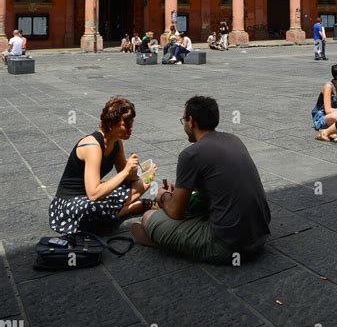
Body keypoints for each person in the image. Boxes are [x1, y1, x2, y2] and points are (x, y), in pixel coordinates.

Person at [131, 95, 271, 263]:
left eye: (184, 120)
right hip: (259, 236)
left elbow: (175, 211)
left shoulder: (191, 154)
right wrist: (184, 189)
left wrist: (163, 195)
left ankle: (165, 241)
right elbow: (217, 182)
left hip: (228, 245)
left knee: (148, 216)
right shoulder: (234, 139)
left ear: (191, 121)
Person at [49, 96, 158, 235]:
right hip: (70, 203)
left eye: (131, 124)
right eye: (126, 124)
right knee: (94, 209)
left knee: (145, 183)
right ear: (111, 124)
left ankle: (116, 211)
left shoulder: (116, 142)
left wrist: (142, 172)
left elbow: (128, 178)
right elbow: (93, 194)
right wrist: (125, 172)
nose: (130, 129)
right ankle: (129, 208)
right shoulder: (92, 146)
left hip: (96, 197)